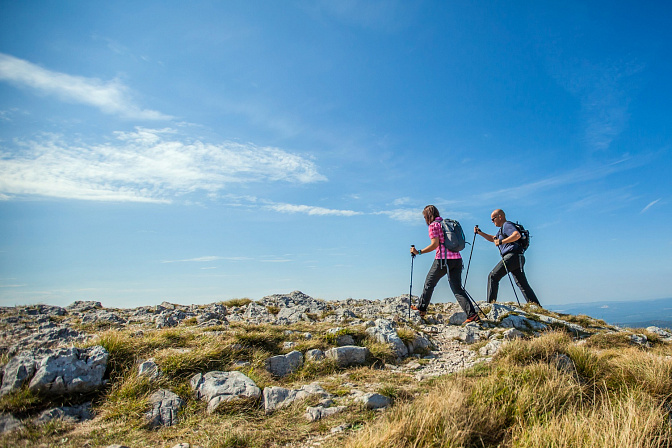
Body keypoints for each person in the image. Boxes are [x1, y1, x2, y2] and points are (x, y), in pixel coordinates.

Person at [410, 205, 480, 323]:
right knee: (457, 288)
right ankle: (472, 315)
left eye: (424, 216)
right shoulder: (446, 223)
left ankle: (421, 309)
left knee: (429, 283)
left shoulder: (434, 226)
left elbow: (434, 244)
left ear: (428, 216)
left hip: (442, 260)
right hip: (457, 260)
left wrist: (419, 252)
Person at [474, 209, 541, 306]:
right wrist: (480, 233)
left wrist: (501, 242)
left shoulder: (507, 225)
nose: (492, 221)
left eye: (493, 219)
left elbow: (516, 235)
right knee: (522, 284)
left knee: (493, 276)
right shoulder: (502, 230)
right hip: (518, 257)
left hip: (512, 256)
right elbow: (494, 238)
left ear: (500, 216)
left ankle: (490, 305)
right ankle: (537, 306)